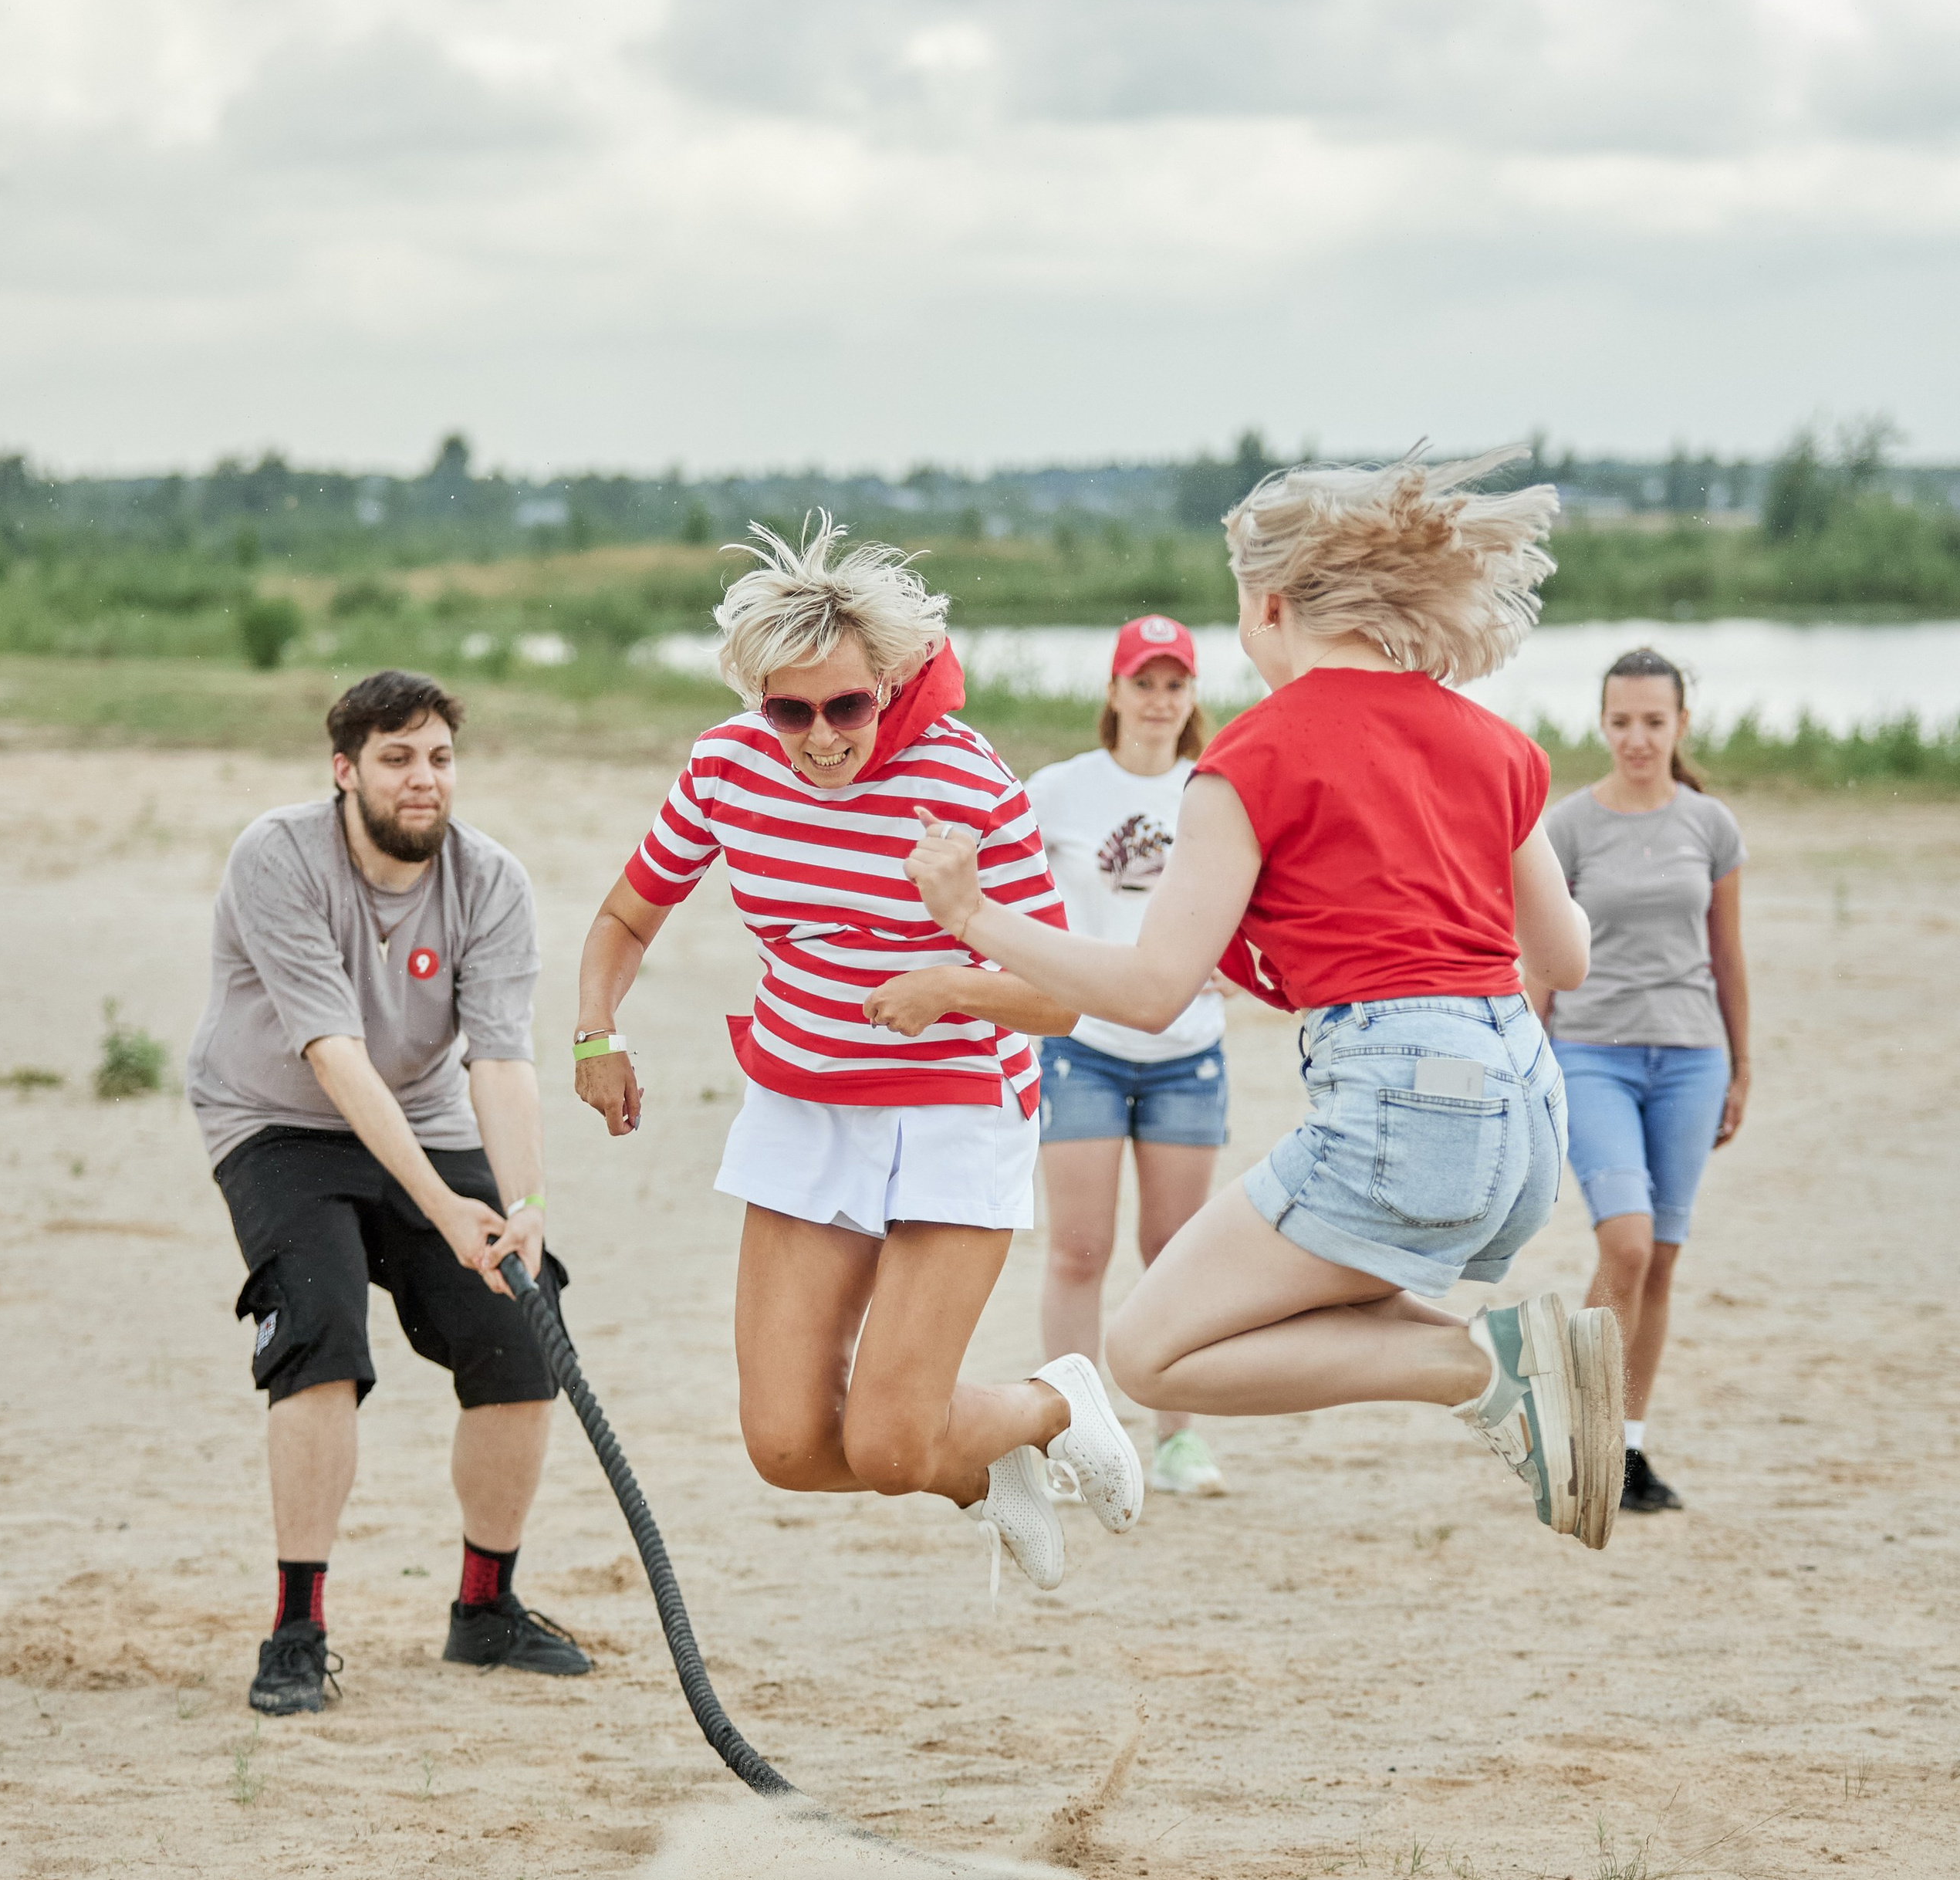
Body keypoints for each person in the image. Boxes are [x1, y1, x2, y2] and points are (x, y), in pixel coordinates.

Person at [905, 451, 1628, 1554]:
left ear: (1272, 602)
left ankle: (1486, 1365)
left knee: (1151, 1352)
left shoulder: (1250, 758)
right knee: (1291, 1300)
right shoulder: (1494, 741)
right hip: (1529, 1111)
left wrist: (973, 920)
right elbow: (1564, 956)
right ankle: (1499, 1369)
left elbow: (1151, 992)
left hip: (1404, 1103)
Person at [573, 519, 1143, 1592]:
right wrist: (597, 1030)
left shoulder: (966, 783)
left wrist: (952, 985)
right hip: (806, 1108)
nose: (821, 736)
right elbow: (624, 918)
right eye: (791, 709)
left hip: (955, 1110)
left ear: (890, 682)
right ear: (759, 701)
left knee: (886, 1444)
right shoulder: (726, 768)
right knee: (786, 1449)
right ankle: (983, 1470)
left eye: (846, 706)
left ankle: (1053, 1403)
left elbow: (1069, 1001)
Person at [188, 669, 586, 1718]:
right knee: (319, 1331)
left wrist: (524, 1203)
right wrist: (443, 1206)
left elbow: (499, 1061)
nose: (424, 779)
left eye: (441, 758)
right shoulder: (277, 855)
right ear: (345, 770)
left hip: (426, 1116)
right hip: (279, 1120)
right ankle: (298, 1629)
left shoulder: (492, 880)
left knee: (524, 1321)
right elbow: (331, 1052)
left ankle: (485, 1609)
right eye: (398, 757)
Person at [1536, 648, 1749, 1515]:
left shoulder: (1712, 826)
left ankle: (1624, 1453)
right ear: (1602, 723)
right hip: (1592, 1056)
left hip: (1692, 1059)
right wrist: (1536, 1063)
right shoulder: (1567, 827)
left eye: (1653, 722)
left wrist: (1741, 1068)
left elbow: (1727, 956)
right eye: (1620, 722)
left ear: (1680, 725)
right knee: (1622, 1242)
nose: (1636, 738)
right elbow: (1541, 962)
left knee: (1659, 1261)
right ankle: (1568, 1433)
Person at [1026, 614, 1230, 1500]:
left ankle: (1180, 1439)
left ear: (1192, 697)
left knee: (1174, 1250)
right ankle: (1077, 1436)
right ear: (1113, 693)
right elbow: (1013, 894)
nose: (1158, 700)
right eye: (1142, 683)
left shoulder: (1218, 790)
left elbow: (1261, 893)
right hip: (1083, 1048)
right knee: (1078, 1249)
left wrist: (1239, 962)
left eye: (1173, 684)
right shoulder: (1060, 790)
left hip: (1188, 1051)